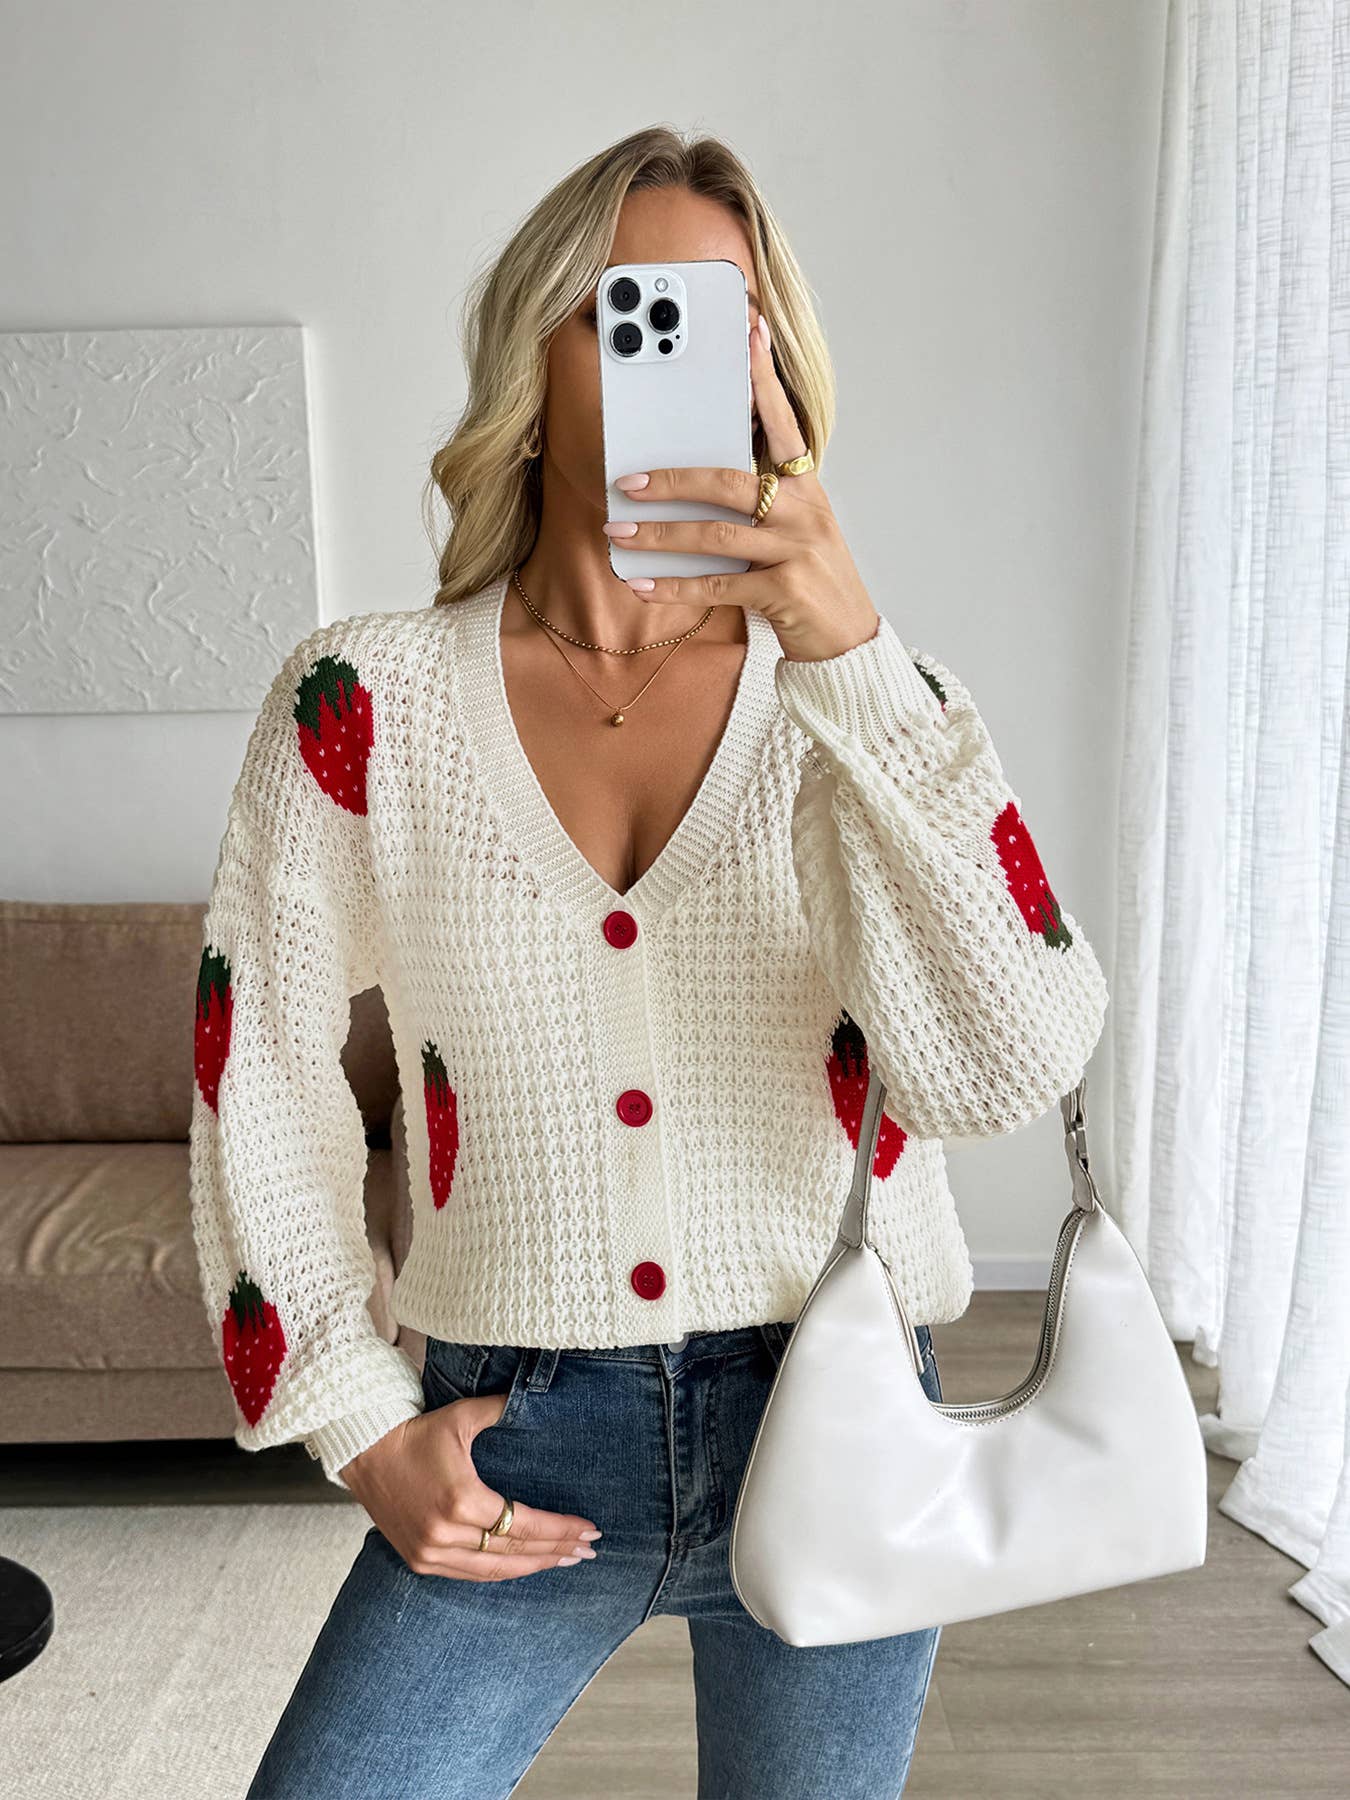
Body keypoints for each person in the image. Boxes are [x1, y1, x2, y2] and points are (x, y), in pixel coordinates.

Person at [189, 123, 1109, 1799]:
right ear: (532, 360)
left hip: (839, 1413)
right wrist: (354, 1415)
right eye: (635, 311)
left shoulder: (863, 705)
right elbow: (258, 1064)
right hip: (513, 1437)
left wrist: (850, 656)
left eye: (726, 317)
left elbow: (1007, 1065)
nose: (681, 357)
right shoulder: (362, 699)